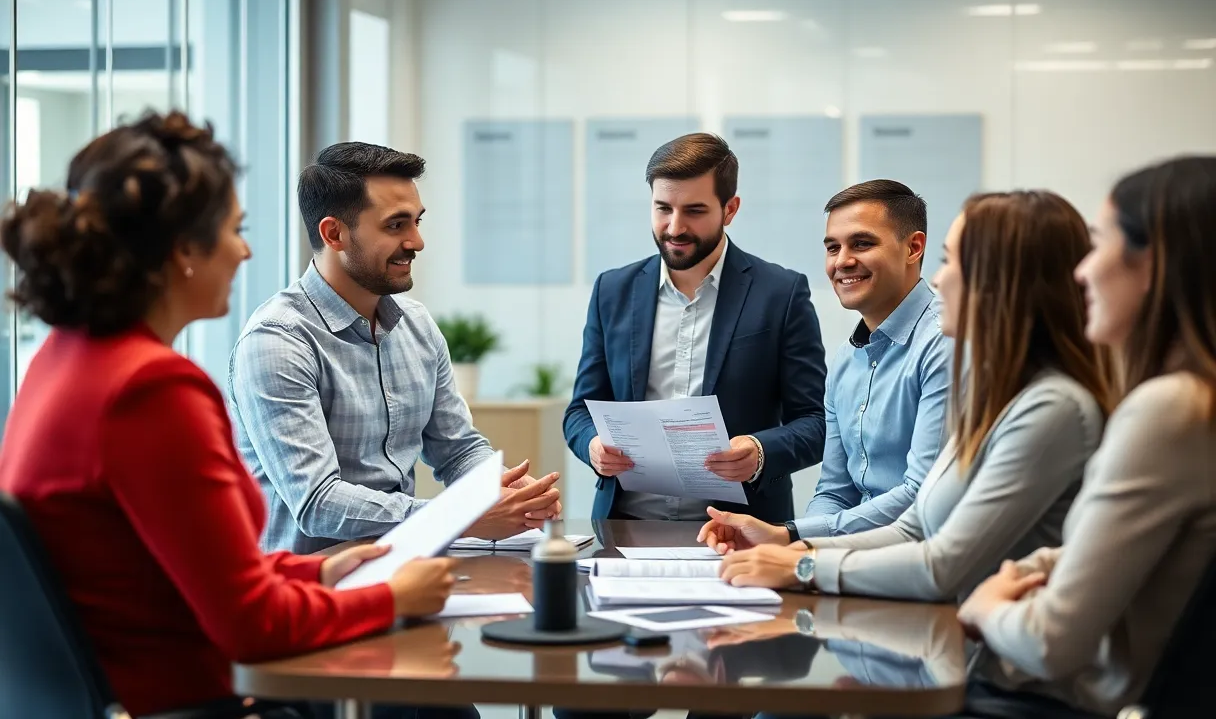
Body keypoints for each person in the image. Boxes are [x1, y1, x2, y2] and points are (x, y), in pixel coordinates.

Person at [0, 113, 457, 718]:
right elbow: (252, 625)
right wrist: (389, 598)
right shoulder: (152, 390)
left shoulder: (63, 358)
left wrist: (313, 574)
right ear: (184, 250)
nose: (244, 250)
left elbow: (178, 569)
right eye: (234, 230)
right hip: (200, 702)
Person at [709, 191, 1115, 604]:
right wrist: (789, 542)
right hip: (898, 591)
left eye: (952, 261)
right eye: (833, 247)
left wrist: (800, 563)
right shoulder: (1000, 397)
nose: (938, 279)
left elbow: (941, 560)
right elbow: (913, 526)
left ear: (1002, 280)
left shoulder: (1047, 405)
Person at [957, 156, 1216, 717]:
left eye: (1098, 245)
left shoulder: (1170, 411)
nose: (1082, 272)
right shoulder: (1191, 405)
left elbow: (1051, 641)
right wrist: (1032, 571)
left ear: (1154, 265)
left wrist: (984, 607)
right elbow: (1103, 552)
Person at [229, 142, 561, 555]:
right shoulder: (277, 340)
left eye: (417, 222)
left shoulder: (417, 325)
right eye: (396, 226)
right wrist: (458, 517)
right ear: (334, 233)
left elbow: (457, 448)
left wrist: (507, 491)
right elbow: (318, 504)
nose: (417, 242)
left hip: (404, 569)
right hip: (310, 591)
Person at [564, 132, 828, 524]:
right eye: (662, 208)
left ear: (730, 209)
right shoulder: (612, 291)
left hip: (741, 532)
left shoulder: (781, 294)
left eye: (695, 211)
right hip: (626, 527)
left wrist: (760, 451)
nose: (674, 227)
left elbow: (816, 421)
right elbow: (579, 412)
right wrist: (593, 446)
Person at [694, 179, 952, 545]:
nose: (842, 261)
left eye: (862, 243)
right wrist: (797, 551)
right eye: (833, 247)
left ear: (913, 248)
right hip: (850, 559)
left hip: (918, 562)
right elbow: (834, 492)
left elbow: (921, 494)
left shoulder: (944, 341)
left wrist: (792, 536)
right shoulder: (846, 362)